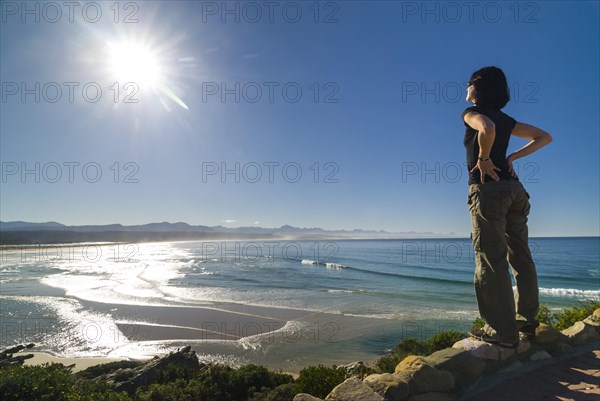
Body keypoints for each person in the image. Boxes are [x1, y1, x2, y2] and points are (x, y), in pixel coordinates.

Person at [462, 66, 552, 348]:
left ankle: (501, 332)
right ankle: (526, 323)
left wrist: (485, 158)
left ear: (477, 88)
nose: (465, 89)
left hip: (489, 191)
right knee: (521, 257)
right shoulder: (507, 120)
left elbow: (485, 128)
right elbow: (544, 137)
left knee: (491, 260)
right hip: (516, 190)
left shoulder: (470, 113)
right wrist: (512, 156)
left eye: (468, 84)